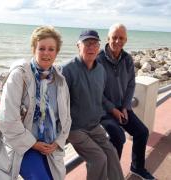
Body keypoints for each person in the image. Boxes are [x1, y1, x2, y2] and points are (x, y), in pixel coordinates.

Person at [0, 26, 71, 180]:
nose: (46, 53)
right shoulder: (19, 76)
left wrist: (58, 142)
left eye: (51, 49)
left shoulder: (60, 81)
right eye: (42, 48)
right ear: (34, 49)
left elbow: (66, 118)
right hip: (22, 145)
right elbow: (7, 120)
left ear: (57, 52)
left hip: (50, 145)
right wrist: (33, 144)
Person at [62, 29, 124, 180]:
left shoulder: (101, 70)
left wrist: (113, 109)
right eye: (87, 43)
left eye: (94, 44)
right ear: (78, 46)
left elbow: (100, 97)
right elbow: (58, 104)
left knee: (112, 153)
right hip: (75, 129)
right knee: (98, 159)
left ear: (99, 47)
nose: (91, 47)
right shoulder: (66, 70)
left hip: (94, 126)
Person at [97, 23, 155, 180]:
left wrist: (125, 107)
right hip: (104, 110)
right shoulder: (98, 59)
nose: (117, 41)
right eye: (114, 37)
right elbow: (96, 91)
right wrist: (112, 109)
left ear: (126, 40)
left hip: (122, 107)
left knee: (142, 132)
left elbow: (131, 84)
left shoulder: (127, 59)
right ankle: (113, 175)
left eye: (121, 38)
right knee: (117, 136)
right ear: (108, 38)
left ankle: (137, 167)